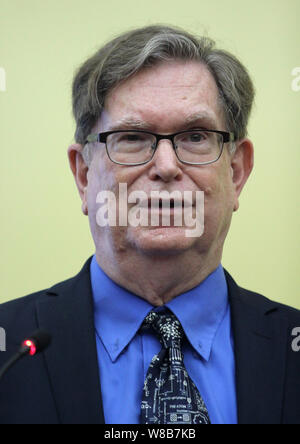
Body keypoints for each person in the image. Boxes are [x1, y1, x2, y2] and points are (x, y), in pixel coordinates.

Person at [0, 24, 299, 425]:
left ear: (237, 171)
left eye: (195, 136)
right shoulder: (10, 352)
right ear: (84, 175)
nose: (166, 166)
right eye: (133, 137)